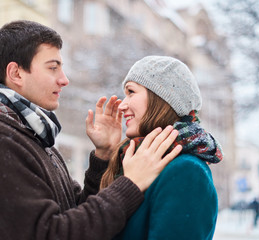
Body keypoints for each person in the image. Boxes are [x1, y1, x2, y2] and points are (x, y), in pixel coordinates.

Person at [0, 21, 182, 240]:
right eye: (53, 67)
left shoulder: (29, 134)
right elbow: (51, 234)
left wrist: (103, 155)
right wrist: (130, 183)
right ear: (16, 73)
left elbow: (75, 214)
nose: (64, 79)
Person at [95, 56, 224, 240]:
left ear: (161, 97)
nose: (122, 105)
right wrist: (104, 154)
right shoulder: (136, 163)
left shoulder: (187, 171)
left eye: (131, 92)